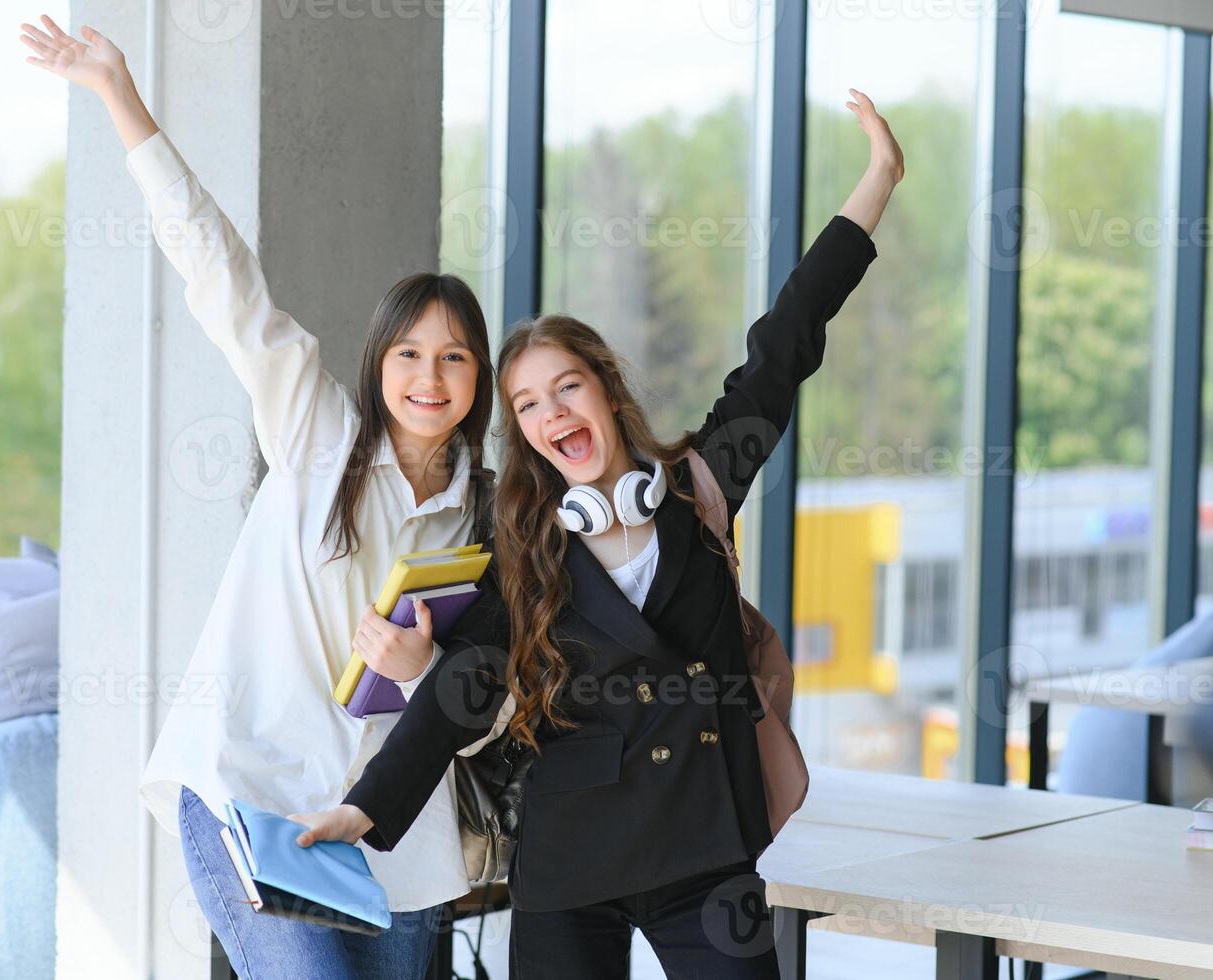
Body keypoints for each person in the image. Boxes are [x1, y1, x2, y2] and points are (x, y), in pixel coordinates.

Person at [295, 91, 903, 978]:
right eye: (528, 406)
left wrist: (876, 182)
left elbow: (785, 345)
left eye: (566, 388)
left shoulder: (699, 487)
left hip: (706, 846)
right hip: (570, 852)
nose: (552, 415)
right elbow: (469, 680)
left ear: (606, 391)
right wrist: (366, 807)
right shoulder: (527, 543)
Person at [19, 15, 495, 978]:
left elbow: (494, 700)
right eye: (409, 353)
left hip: (398, 836)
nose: (429, 377)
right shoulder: (317, 430)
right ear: (377, 364)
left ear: (479, 376)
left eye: (452, 357)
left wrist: (418, 671)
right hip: (252, 790)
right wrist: (121, 96)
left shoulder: (487, 514)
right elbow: (219, 276)